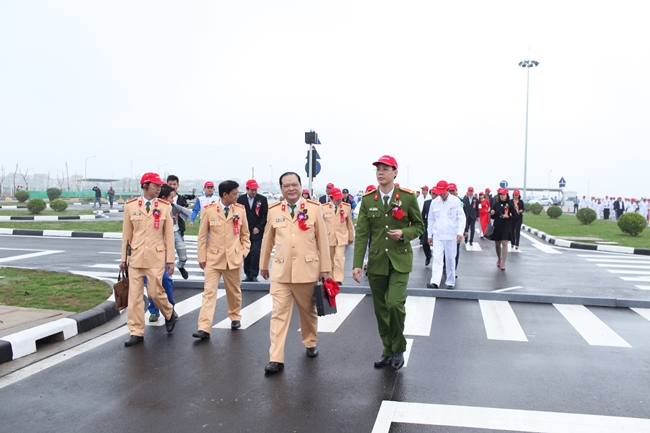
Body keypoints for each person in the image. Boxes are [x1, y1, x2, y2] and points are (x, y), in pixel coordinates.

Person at [352, 155, 424, 371]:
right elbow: (362, 233)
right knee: (381, 309)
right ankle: (387, 348)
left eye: (385, 168)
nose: (381, 172)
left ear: (395, 172)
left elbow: (419, 226)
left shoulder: (407, 198)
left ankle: (398, 348)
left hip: (400, 259)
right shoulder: (368, 200)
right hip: (377, 261)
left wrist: (404, 233)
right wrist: (357, 264)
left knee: (394, 304)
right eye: (378, 169)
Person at [259, 172, 331, 374]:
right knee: (278, 315)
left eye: (294, 184)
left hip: (306, 272)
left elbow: (323, 241)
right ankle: (276, 358)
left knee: (308, 313)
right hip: (281, 272)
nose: (290, 188)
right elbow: (267, 239)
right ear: (281, 189)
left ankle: (310, 342)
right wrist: (263, 265)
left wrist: (325, 268)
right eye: (286, 185)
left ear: (300, 186)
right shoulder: (274, 210)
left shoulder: (314, 209)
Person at [120, 172, 177, 346]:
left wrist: (170, 260)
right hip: (136, 257)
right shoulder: (130, 206)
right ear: (145, 186)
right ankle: (136, 331)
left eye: (160, 186)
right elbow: (127, 235)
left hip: (156, 256)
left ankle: (169, 312)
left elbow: (169, 236)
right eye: (155, 185)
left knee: (154, 292)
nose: (159, 188)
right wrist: (124, 259)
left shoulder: (165, 207)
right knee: (135, 297)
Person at [193, 180, 251, 339]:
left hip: (233, 258)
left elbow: (245, 235)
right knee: (209, 293)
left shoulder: (240, 210)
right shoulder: (209, 210)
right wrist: (201, 257)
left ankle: (235, 316)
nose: (237, 196)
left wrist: (243, 252)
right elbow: (202, 236)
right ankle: (204, 327)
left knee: (234, 292)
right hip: (213, 258)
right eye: (234, 194)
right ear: (225, 195)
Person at [427, 180, 465, 289]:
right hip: (438, 235)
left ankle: (450, 282)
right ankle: (435, 281)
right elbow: (431, 219)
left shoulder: (456, 201)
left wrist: (460, 232)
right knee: (437, 258)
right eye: (439, 192)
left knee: (450, 259)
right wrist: (429, 235)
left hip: (451, 235)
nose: (441, 194)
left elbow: (461, 218)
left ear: (448, 190)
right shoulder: (434, 202)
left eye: (443, 192)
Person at [147, 184, 177, 322]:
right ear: (164, 198)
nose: (173, 200)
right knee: (150, 283)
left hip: (162, 253)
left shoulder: (167, 210)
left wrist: (170, 258)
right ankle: (153, 310)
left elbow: (169, 236)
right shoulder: (147, 208)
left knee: (165, 280)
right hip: (147, 254)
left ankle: (169, 308)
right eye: (171, 198)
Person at [237, 179, 268, 282]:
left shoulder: (262, 199)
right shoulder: (240, 199)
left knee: (255, 251)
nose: (254, 192)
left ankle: (254, 274)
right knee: (247, 252)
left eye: (255, 190)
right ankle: (248, 273)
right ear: (247, 189)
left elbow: (265, 215)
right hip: (244, 231)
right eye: (252, 190)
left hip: (257, 231)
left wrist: (259, 227)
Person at [321, 187, 354, 285]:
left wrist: (351, 236)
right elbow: (321, 224)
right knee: (330, 258)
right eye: (337, 199)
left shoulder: (346, 207)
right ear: (331, 198)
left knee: (339, 257)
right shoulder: (323, 208)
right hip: (329, 237)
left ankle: (338, 279)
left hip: (341, 236)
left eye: (340, 198)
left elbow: (349, 224)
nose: (339, 200)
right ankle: (331, 277)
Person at [165, 175, 190, 279]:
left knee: (183, 255)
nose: (172, 186)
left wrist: (180, 213)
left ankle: (181, 266)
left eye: (174, 184)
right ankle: (166, 276)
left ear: (178, 185)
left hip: (177, 230)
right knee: (165, 256)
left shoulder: (181, 198)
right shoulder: (161, 197)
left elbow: (186, 211)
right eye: (170, 184)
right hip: (165, 232)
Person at [490, 188, 513, 271]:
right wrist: (492, 213)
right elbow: (493, 217)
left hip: (506, 226)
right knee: (497, 244)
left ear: (507, 195)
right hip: (497, 225)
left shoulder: (510, 205)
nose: (502, 196)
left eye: (503, 195)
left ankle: (503, 262)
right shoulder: (496, 205)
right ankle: (499, 258)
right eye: (501, 195)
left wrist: (508, 216)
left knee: (504, 243)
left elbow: (515, 215)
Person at [420, 189, 433, 266]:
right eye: (433, 194)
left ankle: (444, 264)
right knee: (424, 242)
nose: (434, 196)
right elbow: (423, 214)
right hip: (428, 225)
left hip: (439, 226)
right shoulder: (427, 203)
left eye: (436, 194)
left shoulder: (442, 203)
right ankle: (428, 256)